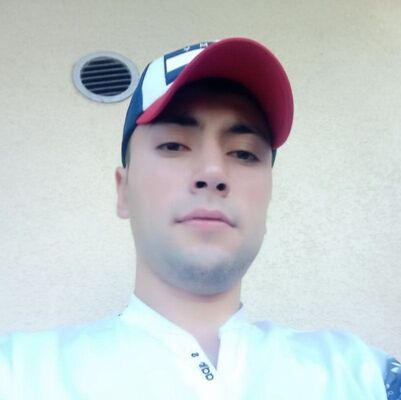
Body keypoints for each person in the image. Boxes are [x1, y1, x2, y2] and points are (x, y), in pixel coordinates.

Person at [0, 38, 399, 399]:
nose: (213, 172)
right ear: (123, 190)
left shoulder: (363, 376)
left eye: (244, 153)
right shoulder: (20, 372)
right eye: (174, 145)